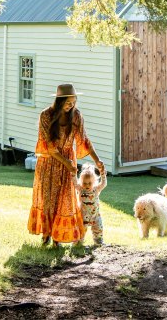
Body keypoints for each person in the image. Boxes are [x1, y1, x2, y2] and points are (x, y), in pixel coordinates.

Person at [28, 84, 105, 246]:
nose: (72, 105)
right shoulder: (46, 116)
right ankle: (46, 235)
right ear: (60, 101)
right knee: (48, 199)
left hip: (68, 164)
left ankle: (57, 238)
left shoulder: (76, 116)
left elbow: (84, 140)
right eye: (68, 102)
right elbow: (48, 146)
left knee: (64, 199)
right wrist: (67, 162)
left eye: (74, 102)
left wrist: (97, 160)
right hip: (49, 162)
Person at [74, 163, 107, 247]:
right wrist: (73, 174)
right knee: (81, 229)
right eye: (84, 183)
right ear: (81, 182)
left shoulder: (96, 189)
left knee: (98, 229)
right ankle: (78, 243)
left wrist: (103, 175)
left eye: (89, 183)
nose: (87, 185)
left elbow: (103, 184)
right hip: (83, 215)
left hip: (95, 215)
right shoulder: (81, 189)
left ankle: (98, 241)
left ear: (94, 181)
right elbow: (74, 183)